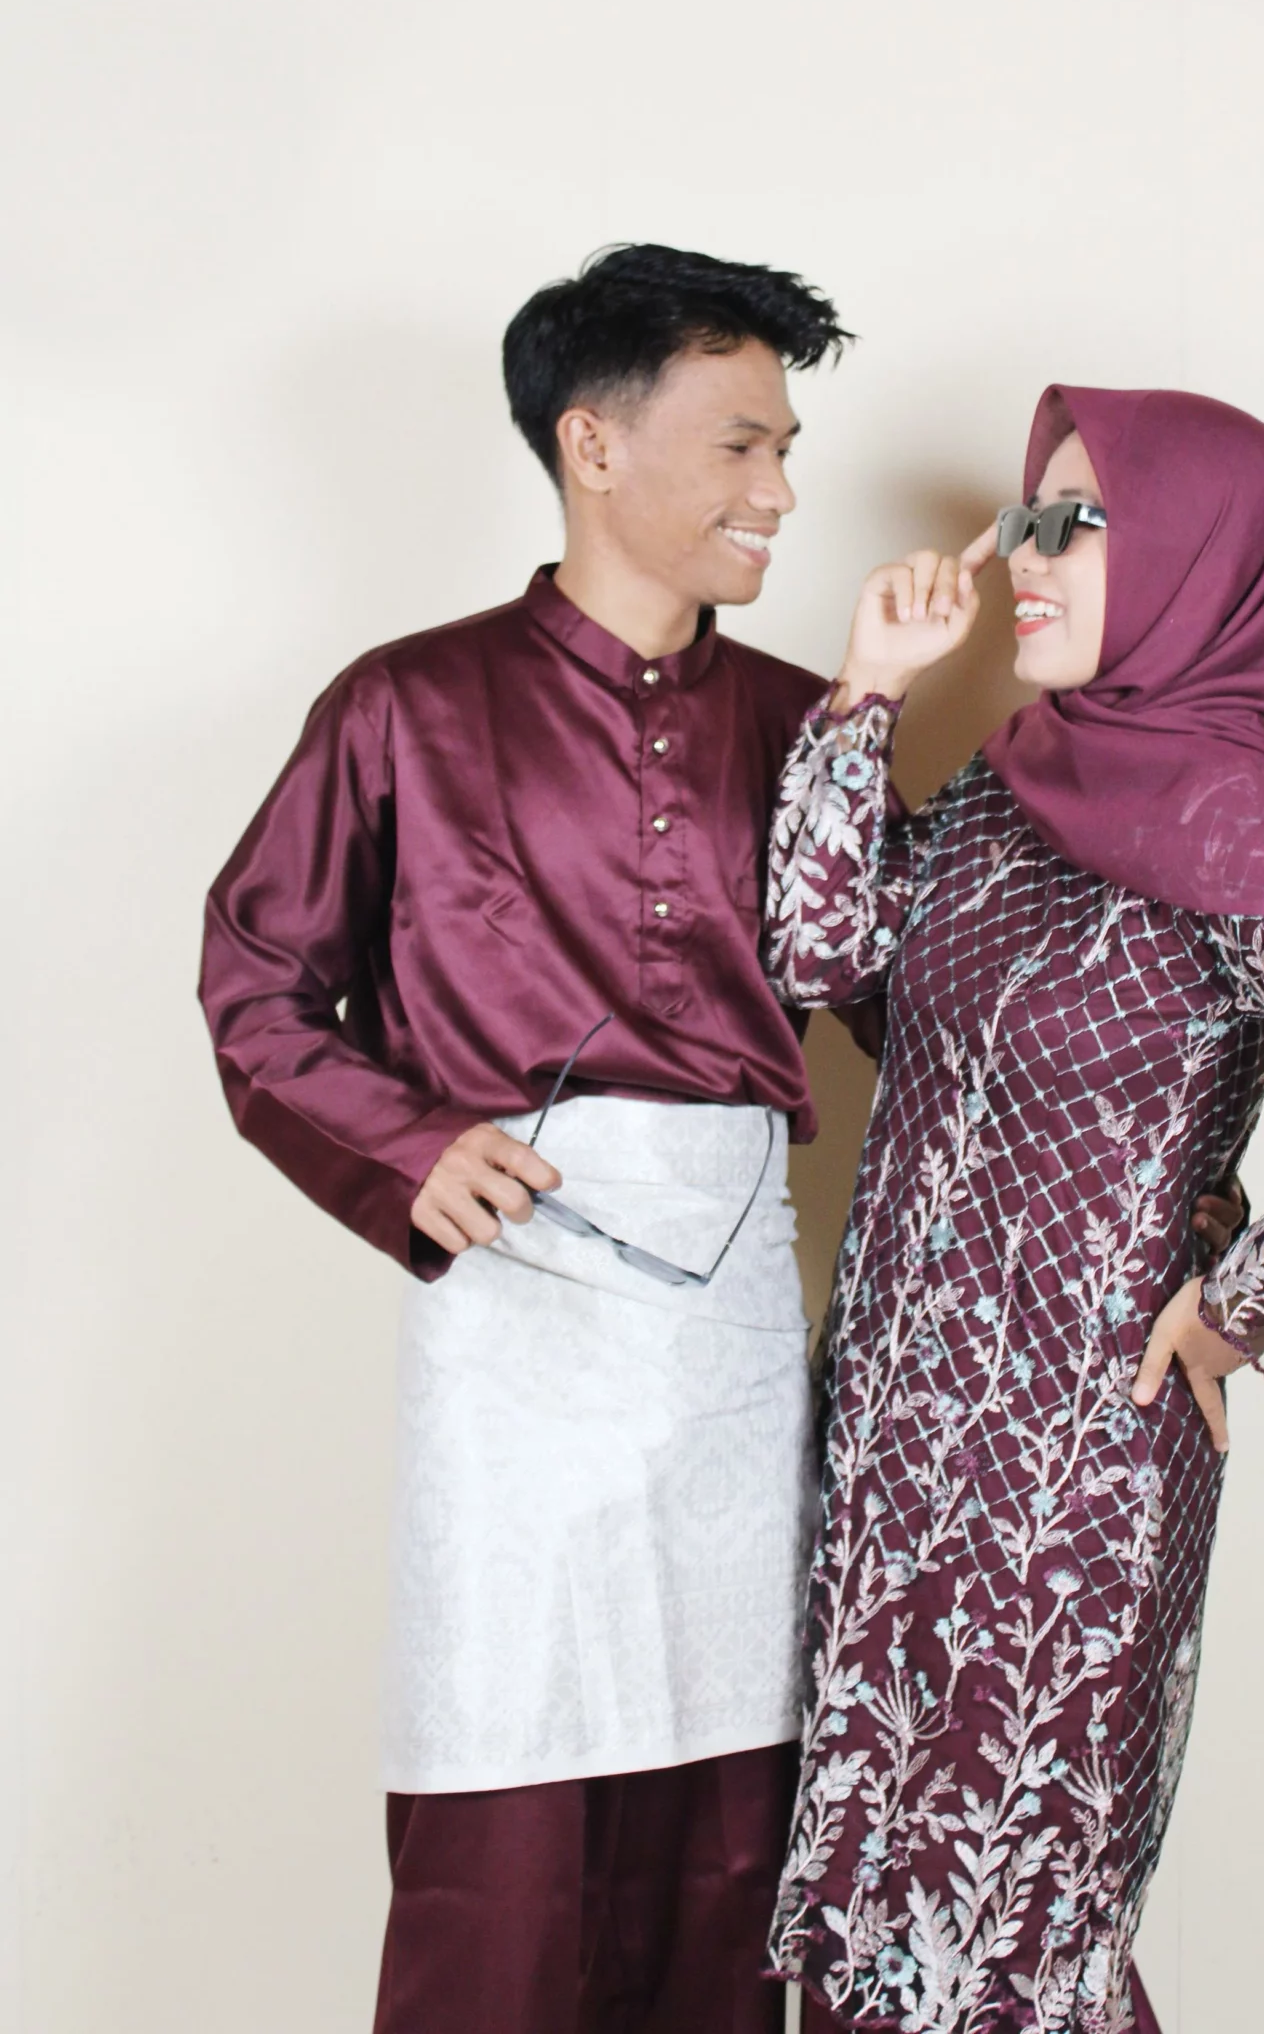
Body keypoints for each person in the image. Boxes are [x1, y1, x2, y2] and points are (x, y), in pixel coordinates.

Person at [762, 384, 1264, 2034]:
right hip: (890, 1430)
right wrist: (867, 696)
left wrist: (1239, 1309)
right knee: (877, 1917)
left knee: (1009, 1936)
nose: (1025, 556)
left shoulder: (1233, 813)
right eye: (1023, 517)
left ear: (1205, 560)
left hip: (1067, 1464)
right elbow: (825, 963)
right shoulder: (1013, 781)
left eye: (1074, 523)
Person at [199, 243, 855, 2034]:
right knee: (504, 1814)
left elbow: (947, 1015)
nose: (779, 491)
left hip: (732, 1333)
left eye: (785, 448)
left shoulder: (809, 727)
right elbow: (256, 983)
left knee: (732, 1830)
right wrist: (404, 1141)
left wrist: (1175, 1193)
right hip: (515, 1312)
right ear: (594, 443)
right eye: (739, 446)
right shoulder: (406, 706)